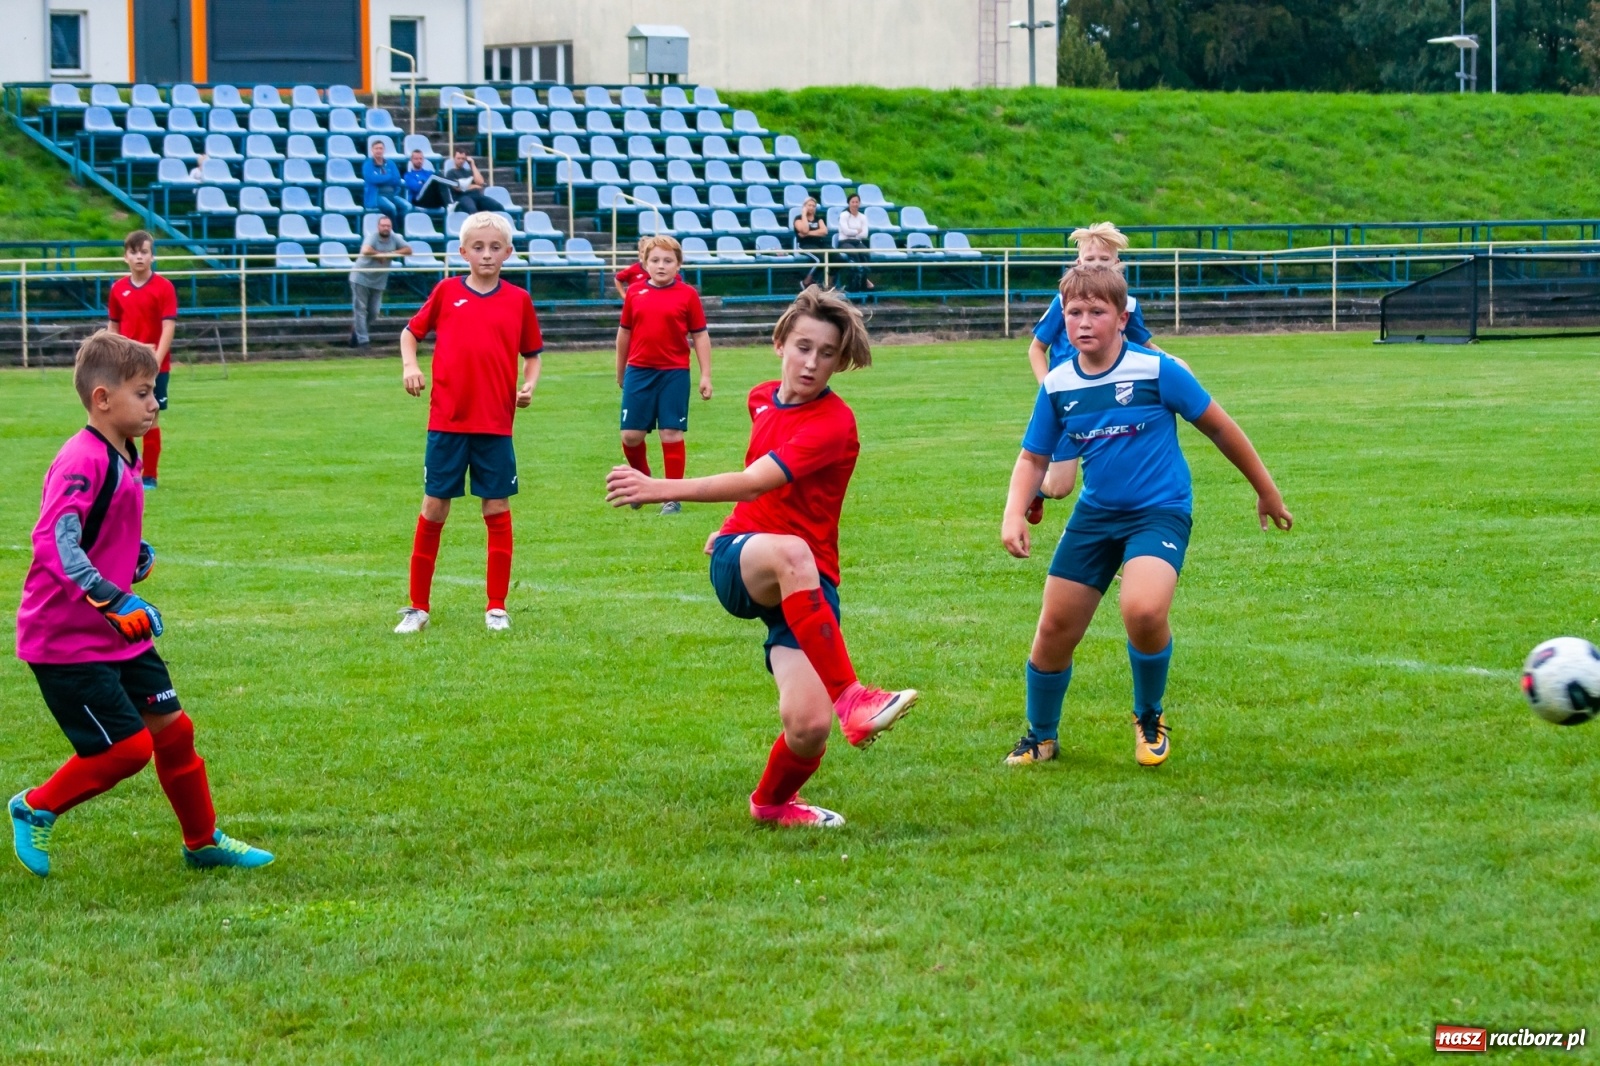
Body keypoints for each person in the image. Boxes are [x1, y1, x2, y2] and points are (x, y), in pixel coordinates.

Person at [605, 288, 918, 828]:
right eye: (802, 347)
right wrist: (718, 522)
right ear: (780, 343)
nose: (811, 363)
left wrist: (669, 490)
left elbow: (754, 481)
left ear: (840, 362)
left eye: (827, 354)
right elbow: (756, 484)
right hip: (748, 562)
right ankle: (854, 699)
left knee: (808, 727)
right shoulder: (761, 397)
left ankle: (771, 804)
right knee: (792, 551)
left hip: (806, 584)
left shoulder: (833, 423)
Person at [999, 265, 1292, 768]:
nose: (1084, 322)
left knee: (1143, 610)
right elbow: (1033, 457)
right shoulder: (1058, 384)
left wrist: (1265, 492)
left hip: (1160, 511)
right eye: (1074, 312)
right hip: (1096, 516)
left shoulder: (1157, 370)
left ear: (1121, 318)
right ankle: (1041, 737)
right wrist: (1013, 515)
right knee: (1054, 629)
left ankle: (1148, 717)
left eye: (1097, 311)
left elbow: (1221, 429)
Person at [9, 330, 274, 878]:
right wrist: (111, 595)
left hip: (113, 632)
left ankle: (202, 842)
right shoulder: (82, 458)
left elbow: (96, 530)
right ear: (102, 399)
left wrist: (131, 557)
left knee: (174, 732)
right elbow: (54, 542)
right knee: (127, 751)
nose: (156, 403)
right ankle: (34, 806)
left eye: (154, 391)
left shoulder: (122, 451)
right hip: (66, 640)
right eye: (143, 392)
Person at [395, 212, 544, 634]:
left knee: (496, 507)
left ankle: (496, 607)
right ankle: (417, 608)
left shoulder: (518, 300)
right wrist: (410, 365)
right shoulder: (445, 292)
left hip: (495, 424)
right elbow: (410, 333)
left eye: (495, 247)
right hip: (447, 422)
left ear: (508, 253)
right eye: (478, 247)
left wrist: (529, 386)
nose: (486, 254)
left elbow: (532, 354)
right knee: (434, 507)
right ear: (463, 252)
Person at [1025, 221, 1169, 527]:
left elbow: (1144, 345)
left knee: (1114, 481)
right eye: (1090, 260)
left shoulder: (1126, 304)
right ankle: (1037, 489)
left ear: (1117, 265)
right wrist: (1048, 389)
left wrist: (1171, 361)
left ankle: (1109, 552)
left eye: (1104, 260)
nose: (1097, 266)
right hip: (1069, 402)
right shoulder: (1065, 302)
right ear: (1078, 264)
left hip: (1111, 401)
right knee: (1060, 487)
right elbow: (1036, 348)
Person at [615, 235, 712, 516]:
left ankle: (671, 497)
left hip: (674, 373)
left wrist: (706, 375)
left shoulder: (687, 295)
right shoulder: (634, 292)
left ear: (678, 265)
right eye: (655, 260)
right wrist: (621, 370)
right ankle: (642, 484)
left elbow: (700, 336)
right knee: (631, 435)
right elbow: (624, 333)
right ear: (644, 264)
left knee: (671, 433)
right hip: (639, 371)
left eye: (668, 260)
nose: (661, 265)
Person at [107, 230, 176, 491]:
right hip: (127, 366)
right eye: (134, 252)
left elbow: (168, 326)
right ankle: (131, 471)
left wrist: (155, 361)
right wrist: (113, 355)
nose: (139, 257)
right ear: (125, 257)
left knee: (151, 417)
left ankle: (150, 476)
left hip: (155, 366)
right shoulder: (118, 289)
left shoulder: (164, 287)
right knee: (125, 418)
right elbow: (113, 326)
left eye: (144, 252)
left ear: (152, 256)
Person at [348, 214, 413, 348]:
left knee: (374, 311)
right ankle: (363, 341)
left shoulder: (394, 237)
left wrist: (390, 254)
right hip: (361, 277)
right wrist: (379, 254)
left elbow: (408, 250)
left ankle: (357, 333)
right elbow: (365, 250)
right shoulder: (372, 237)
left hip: (378, 280)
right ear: (378, 227)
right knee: (360, 309)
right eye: (383, 225)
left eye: (388, 226)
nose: (386, 228)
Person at [442, 147, 498, 216]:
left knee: (497, 207)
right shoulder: (451, 173)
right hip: (462, 197)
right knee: (472, 210)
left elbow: (480, 182)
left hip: (477, 196)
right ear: (454, 159)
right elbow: (458, 188)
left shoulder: (469, 172)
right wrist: (475, 186)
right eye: (458, 158)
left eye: (463, 159)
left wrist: (472, 164)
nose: (461, 161)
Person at [362, 139, 406, 224]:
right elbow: (371, 179)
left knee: (407, 206)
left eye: (381, 148)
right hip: (377, 196)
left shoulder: (390, 163)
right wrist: (388, 176)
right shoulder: (367, 164)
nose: (379, 150)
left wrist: (381, 179)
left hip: (392, 194)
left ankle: (398, 225)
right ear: (372, 150)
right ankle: (393, 230)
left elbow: (397, 180)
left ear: (384, 150)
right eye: (376, 148)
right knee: (391, 208)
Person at [836, 193, 872, 292]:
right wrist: (857, 230)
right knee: (854, 253)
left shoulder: (863, 217)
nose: (855, 204)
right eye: (853, 202)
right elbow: (845, 232)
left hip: (857, 241)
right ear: (849, 203)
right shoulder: (844, 215)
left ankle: (864, 282)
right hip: (844, 242)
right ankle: (854, 284)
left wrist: (852, 231)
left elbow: (865, 234)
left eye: (857, 202)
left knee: (865, 253)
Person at [792, 197, 829, 290]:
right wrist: (804, 214)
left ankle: (828, 285)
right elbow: (804, 229)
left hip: (820, 243)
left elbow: (824, 231)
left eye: (814, 206)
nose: (812, 208)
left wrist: (807, 233)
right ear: (804, 206)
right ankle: (806, 282)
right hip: (805, 245)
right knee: (821, 259)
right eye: (809, 205)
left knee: (837, 258)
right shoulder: (798, 218)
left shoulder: (818, 218)